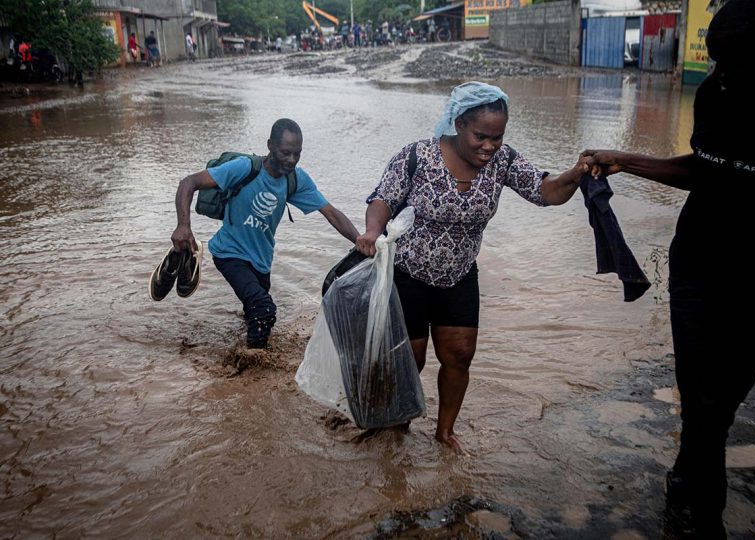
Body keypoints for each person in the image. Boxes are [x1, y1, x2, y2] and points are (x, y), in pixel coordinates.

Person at [582, 1, 755, 536]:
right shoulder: (715, 96)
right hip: (699, 264)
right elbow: (707, 170)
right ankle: (698, 505)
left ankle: (692, 482)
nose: (719, 75)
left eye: (733, 65)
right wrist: (628, 159)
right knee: (699, 392)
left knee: (724, 398)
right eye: (716, 62)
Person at [356, 82, 588, 451]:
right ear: (459, 123)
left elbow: (547, 192)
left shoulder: (504, 162)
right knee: (408, 361)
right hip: (407, 276)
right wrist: (371, 230)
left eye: (497, 137)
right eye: (481, 136)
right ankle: (395, 425)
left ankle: (445, 432)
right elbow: (383, 198)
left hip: (460, 277)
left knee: (460, 356)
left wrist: (576, 173)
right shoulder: (417, 156)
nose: (489, 146)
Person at [172, 119, 360, 349]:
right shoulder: (244, 168)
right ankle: (249, 372)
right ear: (270, 145)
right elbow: (188, 182)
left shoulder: (295, 179)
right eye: (286, 153)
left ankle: (239, 353)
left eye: (297, 154)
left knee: (253, 315)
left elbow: (331, 213)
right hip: (230, 254)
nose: (291, 160)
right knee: (264, 310)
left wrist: (361, 240)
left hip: (262, 262)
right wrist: (183, 226)